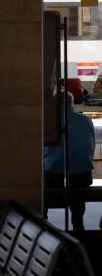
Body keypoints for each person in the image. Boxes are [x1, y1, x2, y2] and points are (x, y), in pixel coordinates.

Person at [44, 92, 95, 230]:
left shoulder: (51, 124)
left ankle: (43, 219)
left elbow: (51, 158)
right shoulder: (86, 121)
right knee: (77, 202)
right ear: (72, 103)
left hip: (58, 179)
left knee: (42, 175)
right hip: (83, 178)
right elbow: (91, 150)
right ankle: (78, 223)